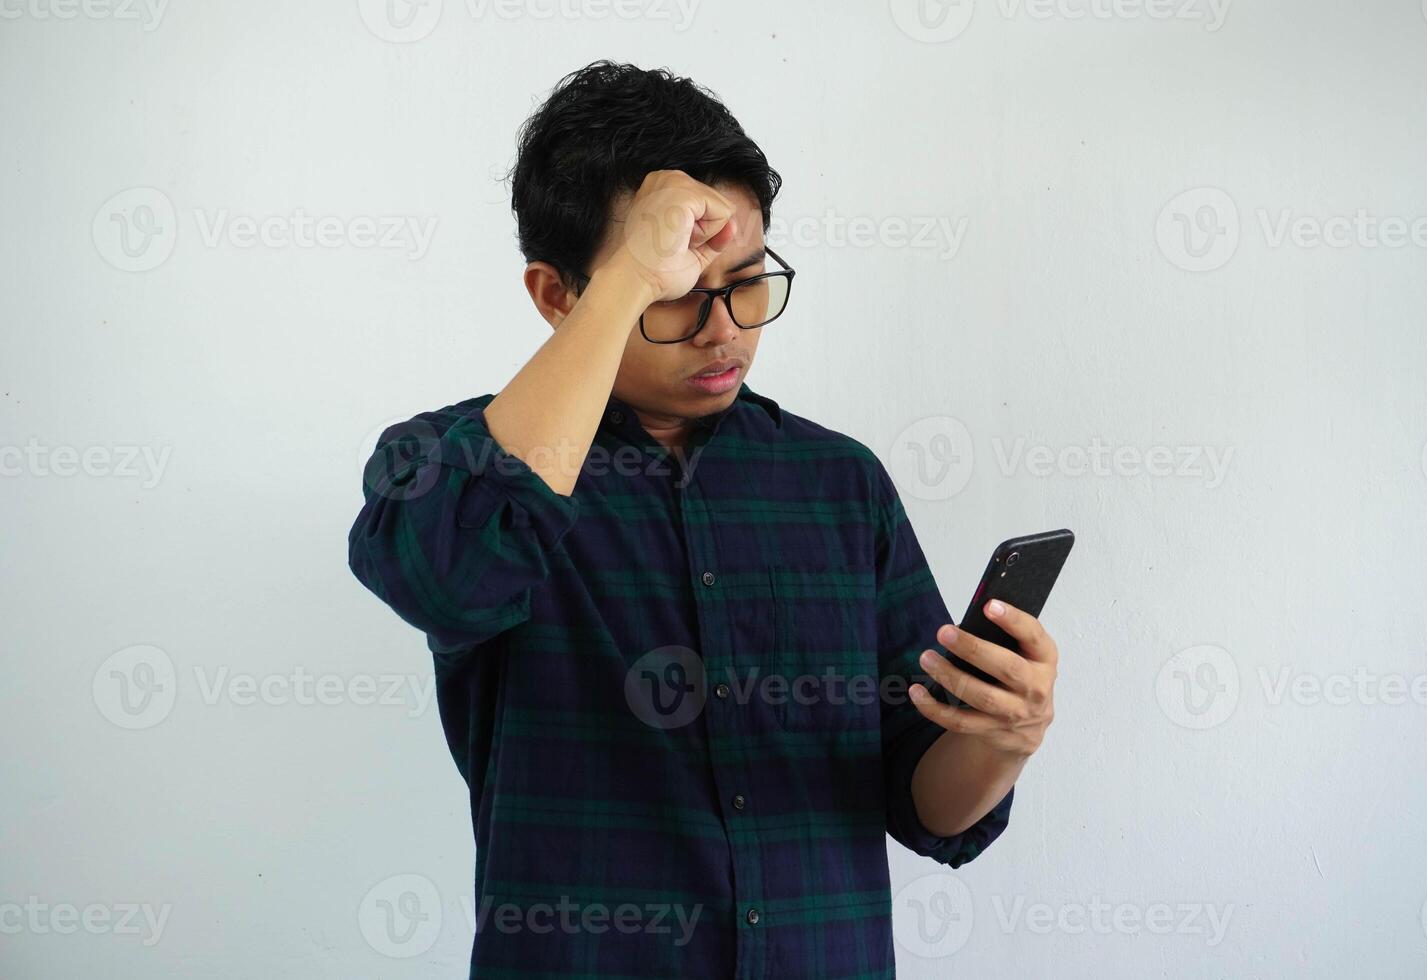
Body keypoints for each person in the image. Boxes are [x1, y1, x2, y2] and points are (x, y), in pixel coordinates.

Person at [347, 59, 1060, 979]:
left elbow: (923, 801)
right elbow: (443, 575)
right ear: (559, 296)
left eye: (749, 281)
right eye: (675, 292)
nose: (726, 329)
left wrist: (998, 740)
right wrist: (628, 277)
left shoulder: (840, 483)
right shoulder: (448, 461)